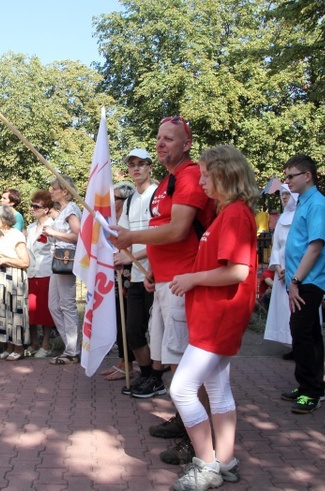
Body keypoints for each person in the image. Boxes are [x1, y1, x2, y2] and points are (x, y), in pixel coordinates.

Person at [110, 117, 214, 467]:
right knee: (170, 359)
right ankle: (185, 420)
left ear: (187, 144)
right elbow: (162, 230)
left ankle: (197, 437)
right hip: (166, 281)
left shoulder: (189, 177)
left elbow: (178, 229)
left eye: (170, 138)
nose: (161, 143)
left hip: (185, 284)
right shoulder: (168, 181)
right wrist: (153, 268)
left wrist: (131, 239)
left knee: (187, 364)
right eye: (158, 138)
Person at [168, 144, 258, 491]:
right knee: (218, 391)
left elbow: (237, 271)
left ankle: (206, 464)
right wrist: (187, 276)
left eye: (206, 174)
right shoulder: (229, 213)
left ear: (225, 174)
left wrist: (192, 279)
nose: (201, 180)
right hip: (214, 316)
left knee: (182, 389)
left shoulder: (235, 214)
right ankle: (226, 460)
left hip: (219, 317)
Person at [280, 154, 325, 414]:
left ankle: (311, 391)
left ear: (307, 176)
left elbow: (315, 246)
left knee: (301, 333)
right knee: (310, 334)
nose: (287, 181)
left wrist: (296, 280)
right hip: (303, 278)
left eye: (291, 176)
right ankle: (310, 387)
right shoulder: (304, 202)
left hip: (309, 280)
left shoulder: (318, 205)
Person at [110, 149, 158, 386]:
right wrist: (119, 255)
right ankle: (147, 374)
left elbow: (161, 237)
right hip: (138, 275)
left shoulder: (157, 196)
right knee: (133, 331)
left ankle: (157, 377)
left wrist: (130, 257)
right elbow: (123, 237)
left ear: (150, 167)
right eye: (132, 165)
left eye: (141, 164)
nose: (136, 168)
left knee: (158, 332)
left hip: (158, 273)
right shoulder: (128, 202)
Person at [100, 180, 137, 381]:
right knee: (118, 315)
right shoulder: (113, 218)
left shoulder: (129, 217)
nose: (111, 202)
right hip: (115, 270)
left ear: (125, 199)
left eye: (115, 198)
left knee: (127, 318)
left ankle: (129, 365)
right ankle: (122, 361)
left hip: (128, 271)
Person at [44, 175, 82, 365]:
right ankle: (71, 346)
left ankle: (73, 351)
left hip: (67, 259)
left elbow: (78, 235)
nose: (51, 191)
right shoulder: (62, 211)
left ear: (65, 191)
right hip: (57, 259)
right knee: (54, 305)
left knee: (67, 304)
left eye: (54, 188)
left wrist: (53, 233)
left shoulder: (71, 210)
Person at [0, 205, 30, 361]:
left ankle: (19, 348)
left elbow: (25, 261)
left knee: (16, 311)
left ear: (5, 219)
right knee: (2, 311)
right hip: (0, 275)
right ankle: (7, 346)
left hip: (14, 277)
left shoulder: (16, 235)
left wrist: (5, 259)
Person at [264, 184, 298, 348]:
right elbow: (276, 245)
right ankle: (288, 342)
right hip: (282, 269)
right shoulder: (281, 219)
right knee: (284, 308)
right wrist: (277, 267)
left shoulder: (301, 216)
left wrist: (292, 270)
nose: (284, 197)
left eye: (287, 194)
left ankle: (297, 343)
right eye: (282, 194)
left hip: (296, 268)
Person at [25, 190, 56, 358]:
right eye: (32, 205)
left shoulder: (53, 225)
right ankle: (34, 342)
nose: (33, 209)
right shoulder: (30, 228)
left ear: (45, 209)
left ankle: (46, 344)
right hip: (30, 272)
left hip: (46, 271)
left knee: (44, 309)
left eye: (36, 206)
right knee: (31, 309)